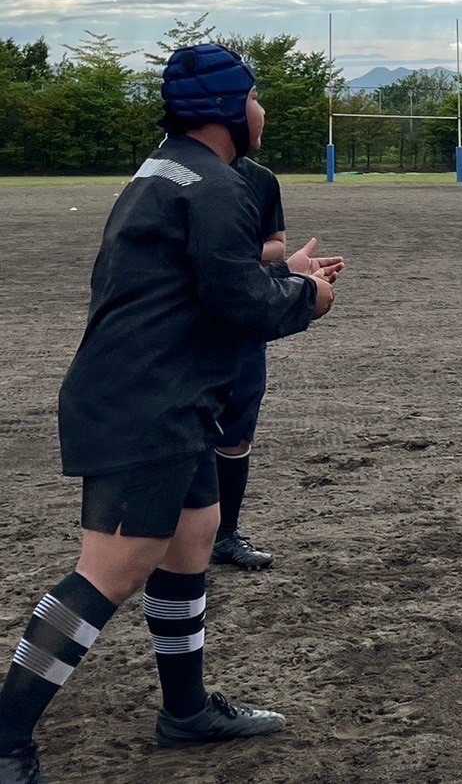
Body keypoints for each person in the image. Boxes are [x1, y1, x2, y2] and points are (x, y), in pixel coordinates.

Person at [0, 44, 342, 784]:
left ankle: (185, 713)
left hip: (168, 396)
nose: (260, 111)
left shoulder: (169, 168)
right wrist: (305, 297)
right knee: (111, 571)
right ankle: (5, 741)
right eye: (253, 98)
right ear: (227, 110)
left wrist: (282, 272)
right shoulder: (215, 186)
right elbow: (239, 305)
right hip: (144, 403)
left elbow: (200, 280)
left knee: (193, 538)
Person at [212, 157, 343, 572]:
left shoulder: (259, 178)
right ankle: (169, 537)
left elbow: (276, 244)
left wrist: (283, 269)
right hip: (196, 318)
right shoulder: (181, 172)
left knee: (235, 432)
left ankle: (224, 535)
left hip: (245, 317)